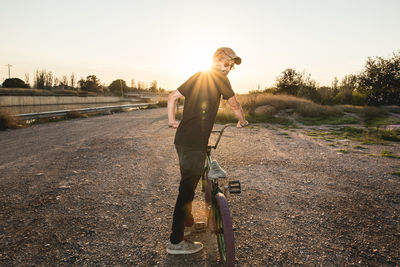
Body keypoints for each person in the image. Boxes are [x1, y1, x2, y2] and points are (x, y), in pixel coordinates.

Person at [166, 47, 248, 254]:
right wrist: (242, 120)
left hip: (182, 140)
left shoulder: (198, 75)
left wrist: (172, 121)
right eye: (228, 64)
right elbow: (234, 104)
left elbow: (172, 97)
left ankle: (188, 221)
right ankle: (175, 243)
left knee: (188, 181)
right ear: (218, 60)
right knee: (186, 189)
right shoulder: (220, 78)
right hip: (194, 142)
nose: (229, 68)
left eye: (232, 66)